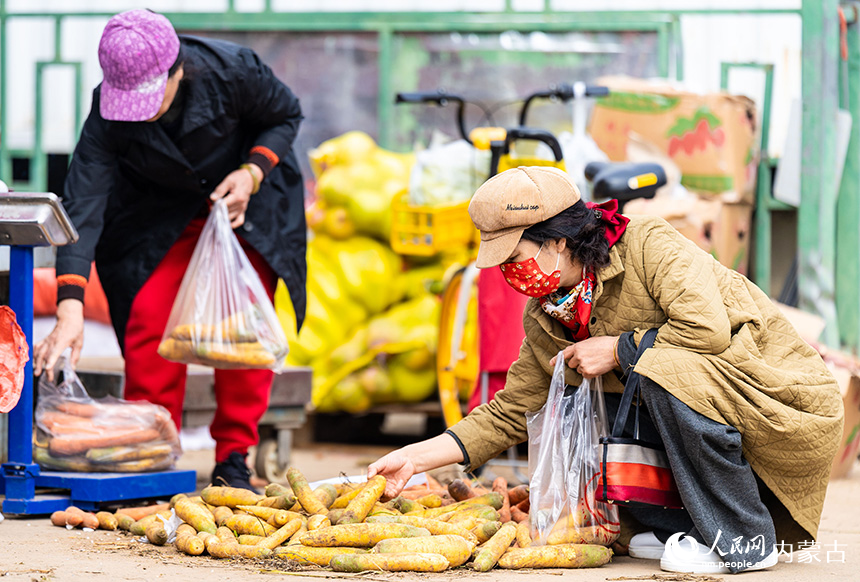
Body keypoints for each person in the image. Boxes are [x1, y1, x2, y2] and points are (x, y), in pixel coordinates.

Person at [369, 166, 844, 574]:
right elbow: (511, 411)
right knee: (599, 391)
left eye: (513, 258)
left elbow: (707, 331)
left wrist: (619, 349)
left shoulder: (649, 245)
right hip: (714, 409)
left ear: (557, 240)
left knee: (657, 369)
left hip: (776, 404)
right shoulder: (547, 314)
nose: (510, 274)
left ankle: (743, 538)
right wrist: (416, 456)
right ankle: (681, 524)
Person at [32, 9, 307, 491]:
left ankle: (233, 457)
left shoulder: (234, 71)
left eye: (150, 97)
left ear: (178, 70)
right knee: (148, 319)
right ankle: (151, 449)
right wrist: (69, 306)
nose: (139, 112)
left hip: (241, 206)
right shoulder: (107, 112)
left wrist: (253, 172)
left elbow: (285, 116)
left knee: (241, 333)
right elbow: (84, 202)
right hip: (156, 218)